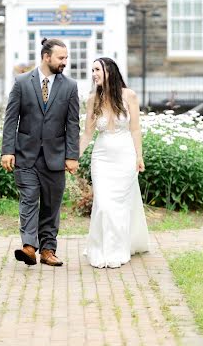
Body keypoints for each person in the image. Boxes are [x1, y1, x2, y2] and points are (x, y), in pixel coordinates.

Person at [1, 37, 80, 266]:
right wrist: (8, 150)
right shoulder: (22, 82)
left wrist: (72, 156)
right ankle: (28, 246)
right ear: (47, 57)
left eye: (66, 57)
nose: (65, 62)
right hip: (26, 155)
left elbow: (72, 124)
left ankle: (48, 250)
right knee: (28, 199)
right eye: (61, 57)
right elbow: (10, 119)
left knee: (51, 205)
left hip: (55, 157)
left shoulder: (70, 86)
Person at [80, 57, 149, 268]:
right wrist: (73, 156)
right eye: (92, 70)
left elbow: (135, 129)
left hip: (125, 157)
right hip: (101, 159)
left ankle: (117, 249)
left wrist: (139, 156)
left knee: (118, 205)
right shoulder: (93, 99)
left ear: (109, 71)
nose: (94, 74)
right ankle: (100, 248)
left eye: (97, 70)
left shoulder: (129, 96)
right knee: (103, 204)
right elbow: (88, 132)